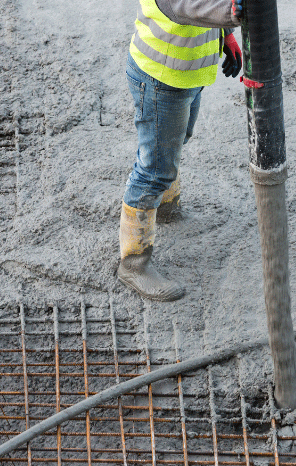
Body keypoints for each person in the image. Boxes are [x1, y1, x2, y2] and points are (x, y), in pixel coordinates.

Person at [119, 0, 244, 301]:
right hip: (161, 78)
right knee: (155, 170)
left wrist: (224, 34)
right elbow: (190, 4)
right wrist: (231, 14)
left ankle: (165, 207)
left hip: (184, 74)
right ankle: (133, 263)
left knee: (176, 141)